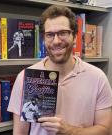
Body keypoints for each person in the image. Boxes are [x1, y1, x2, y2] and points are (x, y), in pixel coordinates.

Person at [7, 5, 112, 135]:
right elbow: (20, 133)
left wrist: (70, 131)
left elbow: (106, 130)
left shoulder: (98, 78)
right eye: (50, 34)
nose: (56, 41)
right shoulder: (24, 78)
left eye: (63, 33)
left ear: (75, 37)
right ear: (44, 39)